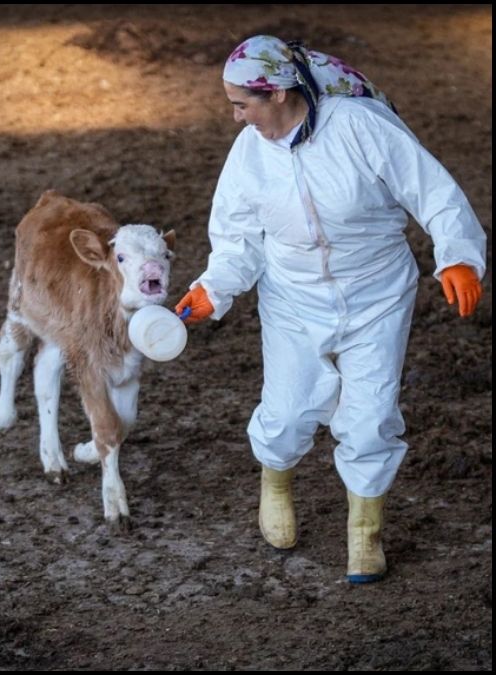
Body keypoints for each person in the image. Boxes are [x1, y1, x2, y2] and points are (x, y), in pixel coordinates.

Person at [175, 35, 486, 584]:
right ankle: (276, 484)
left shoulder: (358, 126)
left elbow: (432, 191)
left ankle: (365, 531)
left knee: (371, 415)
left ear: (277, 93)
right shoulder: (249, 152)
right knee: (288, 410)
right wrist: (214, 288)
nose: (235, 117)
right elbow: (237, 239)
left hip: (376, 293)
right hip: (292, 297)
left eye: (241, 104)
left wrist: (458, 256)